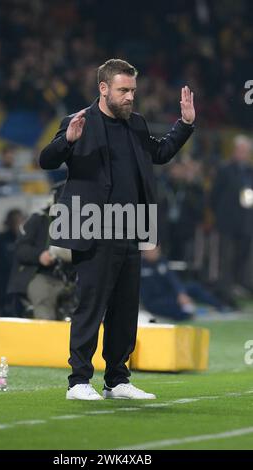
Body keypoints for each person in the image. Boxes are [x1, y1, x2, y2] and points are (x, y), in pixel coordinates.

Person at [39, 59, 195, 400]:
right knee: (90, 306)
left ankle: (116, 380)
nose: (130, 98)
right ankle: (78, 381)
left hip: (130, 227)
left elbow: (161, 153)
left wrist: (184, 124)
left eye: (133, 91)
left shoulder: (135, 124)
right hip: (91, 226)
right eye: (123, 90)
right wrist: (67, 140)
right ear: (103, 88)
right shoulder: (78, 122)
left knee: (125, 309)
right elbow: (46, 160)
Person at [7, 201, 71, 320]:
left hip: (68, 279)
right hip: (41, 275)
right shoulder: (39, 219)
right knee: (43, 297)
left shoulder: (79, 223)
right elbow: (21, 249)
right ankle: (46, 334)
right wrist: (39, 256)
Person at [211, 135, 253, 300]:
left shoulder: (249, 171)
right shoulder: (224, 169)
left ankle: (239, 286)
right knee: (226, 258)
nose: (243, 154)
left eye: (246, 151)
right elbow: (214, 196)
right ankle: (224, 290)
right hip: (227, 223)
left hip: (245, 223)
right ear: (235, 150)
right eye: (241, 150)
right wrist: (220, 215)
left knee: (242, 257)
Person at [140, 247, 227, 321]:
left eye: (157, 250)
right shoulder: (140, 265)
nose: (155, 252)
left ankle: (220, 306)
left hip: (168, 293)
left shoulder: (162, 261)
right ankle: (190, 311)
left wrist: (181, 293)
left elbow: (173, 279)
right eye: (152, 250)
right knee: (180, 311)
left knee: (194, 287)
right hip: (154, 300)